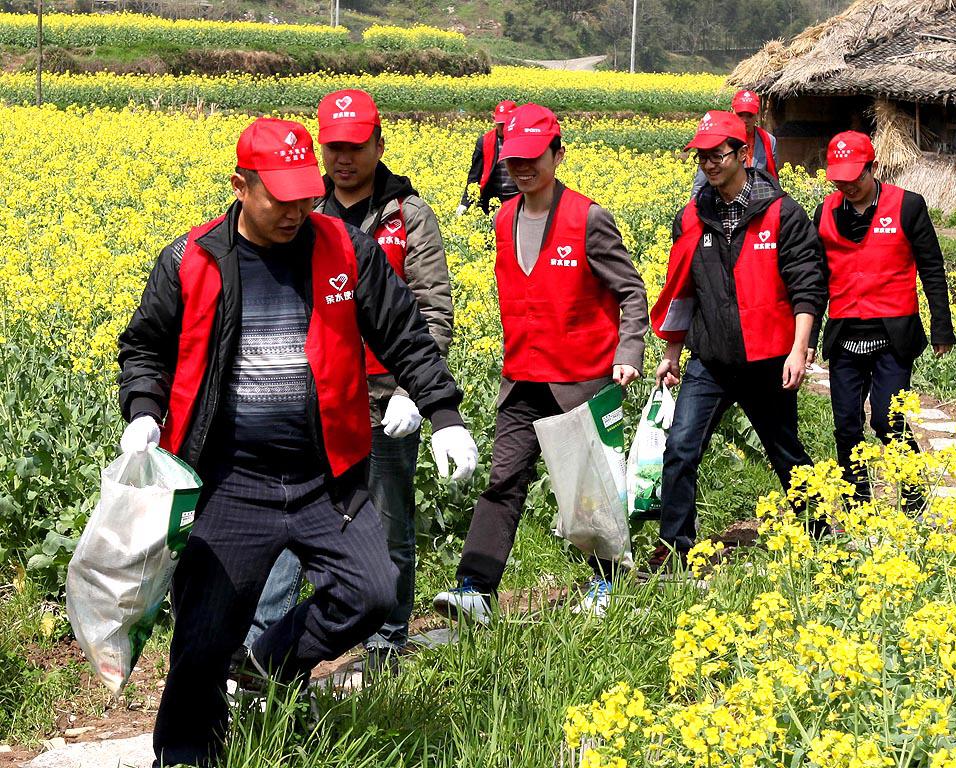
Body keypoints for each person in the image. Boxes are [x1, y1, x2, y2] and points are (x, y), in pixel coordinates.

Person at [117, 117, 479, 768]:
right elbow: (144, 346)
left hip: (324, 477)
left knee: (373, 591)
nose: (296, 209)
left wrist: (442, 411)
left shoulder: (344, 249)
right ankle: (184, 754)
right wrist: (143, 412)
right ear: (240, 185)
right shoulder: (192, 258)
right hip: (230, 481)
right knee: (200, 640)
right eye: (279, 195)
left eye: (305, 194)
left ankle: (269, 659)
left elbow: (403, 332)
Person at [242, 89, 455, 675]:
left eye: (355, 145)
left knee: (387, 520)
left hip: (390, 398)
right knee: (289, 525)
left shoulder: (408, 214)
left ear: (378, 145)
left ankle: (387, 642)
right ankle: (270, 654)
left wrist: (419, 392)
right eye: (333, 146)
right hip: (319, 403)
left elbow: (431, 310)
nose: (343, 158)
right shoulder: (304, 214)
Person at [433, 103, 649, 622]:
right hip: (523, 376)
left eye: (533, 157)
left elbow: (631, 290)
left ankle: (608, 582)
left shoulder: (587, 218)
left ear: (557, 154)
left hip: (580, 378)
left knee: (586, 489)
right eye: (514, 159)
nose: (522, 167)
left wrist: (629, 351)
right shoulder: (504, 216)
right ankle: (475, 588)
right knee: (503, 481)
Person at [649, 110, 825, 572]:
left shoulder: (781, 212)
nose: (708, 163)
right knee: (681, 448)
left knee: (785, 450)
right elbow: (682, 289)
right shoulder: (691, 216)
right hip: (710, 360)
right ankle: (675, 550)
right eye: (701, 155)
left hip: (767, 358)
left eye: (717, 154)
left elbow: (807, 284)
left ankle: (821, 533)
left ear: (743, 153)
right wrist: (671, 353)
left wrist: (798, 348)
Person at [813, 130, 955, 508]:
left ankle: (913, 496)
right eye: (840, 179)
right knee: (846, 425)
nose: (848, 186)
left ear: (873, 168)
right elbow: (817, 279)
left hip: (893, 332)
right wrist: (808, 338)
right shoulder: (825, 210)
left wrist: (942, 326)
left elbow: (931, 268)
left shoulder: (908, 206)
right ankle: (857, 503)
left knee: (886, 420)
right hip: (844, 330)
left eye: (855, 177)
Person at [690, 90, 778, 196]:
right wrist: (693, 209)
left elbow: (772, 179)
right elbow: (700, 184)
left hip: (757, 201)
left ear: (757, 115)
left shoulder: (768, 140)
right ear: (732, 111)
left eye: (749, 115)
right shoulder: (720, 139)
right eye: (740, 115)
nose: (745, 120)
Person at [457, 100, 520, 214]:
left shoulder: (524, 141)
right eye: (500, 123)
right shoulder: (485, 142)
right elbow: (474, 176)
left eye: (506, 123)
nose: (502, 127)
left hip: (518, 200)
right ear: (493, 119)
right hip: (491, 201)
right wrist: (465, 203)